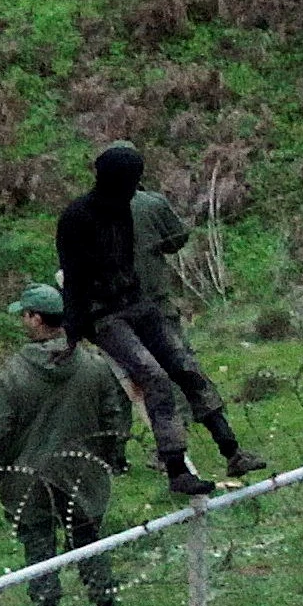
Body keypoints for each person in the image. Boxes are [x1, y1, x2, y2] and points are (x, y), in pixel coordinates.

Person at [57, 144, 226, 495]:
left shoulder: (122, 210)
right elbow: (73, 277)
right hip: (103, 315)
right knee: (154, 377)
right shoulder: (78, 218)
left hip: (137, 304)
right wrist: (74, 331)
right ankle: (175, 467)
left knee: (184, 366)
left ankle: (230, 446)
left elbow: (126, 263)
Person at [0, 287, 131, 606]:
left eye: (25, 314)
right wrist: (107, 458)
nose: (22, 320)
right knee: (89, 541)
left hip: (27, 476)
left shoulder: (13, 373)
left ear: (36, 318)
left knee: (38, 547)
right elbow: (115, 418)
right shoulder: (93, 365)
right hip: (82, 472)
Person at [122, 172, 267, 478]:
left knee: (141, 385)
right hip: (156, 308)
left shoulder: (92, 213)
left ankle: (155, 455)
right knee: (188, 375)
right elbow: (178, 238)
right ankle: (230, 449)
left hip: (119, 316)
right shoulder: (150, 204)